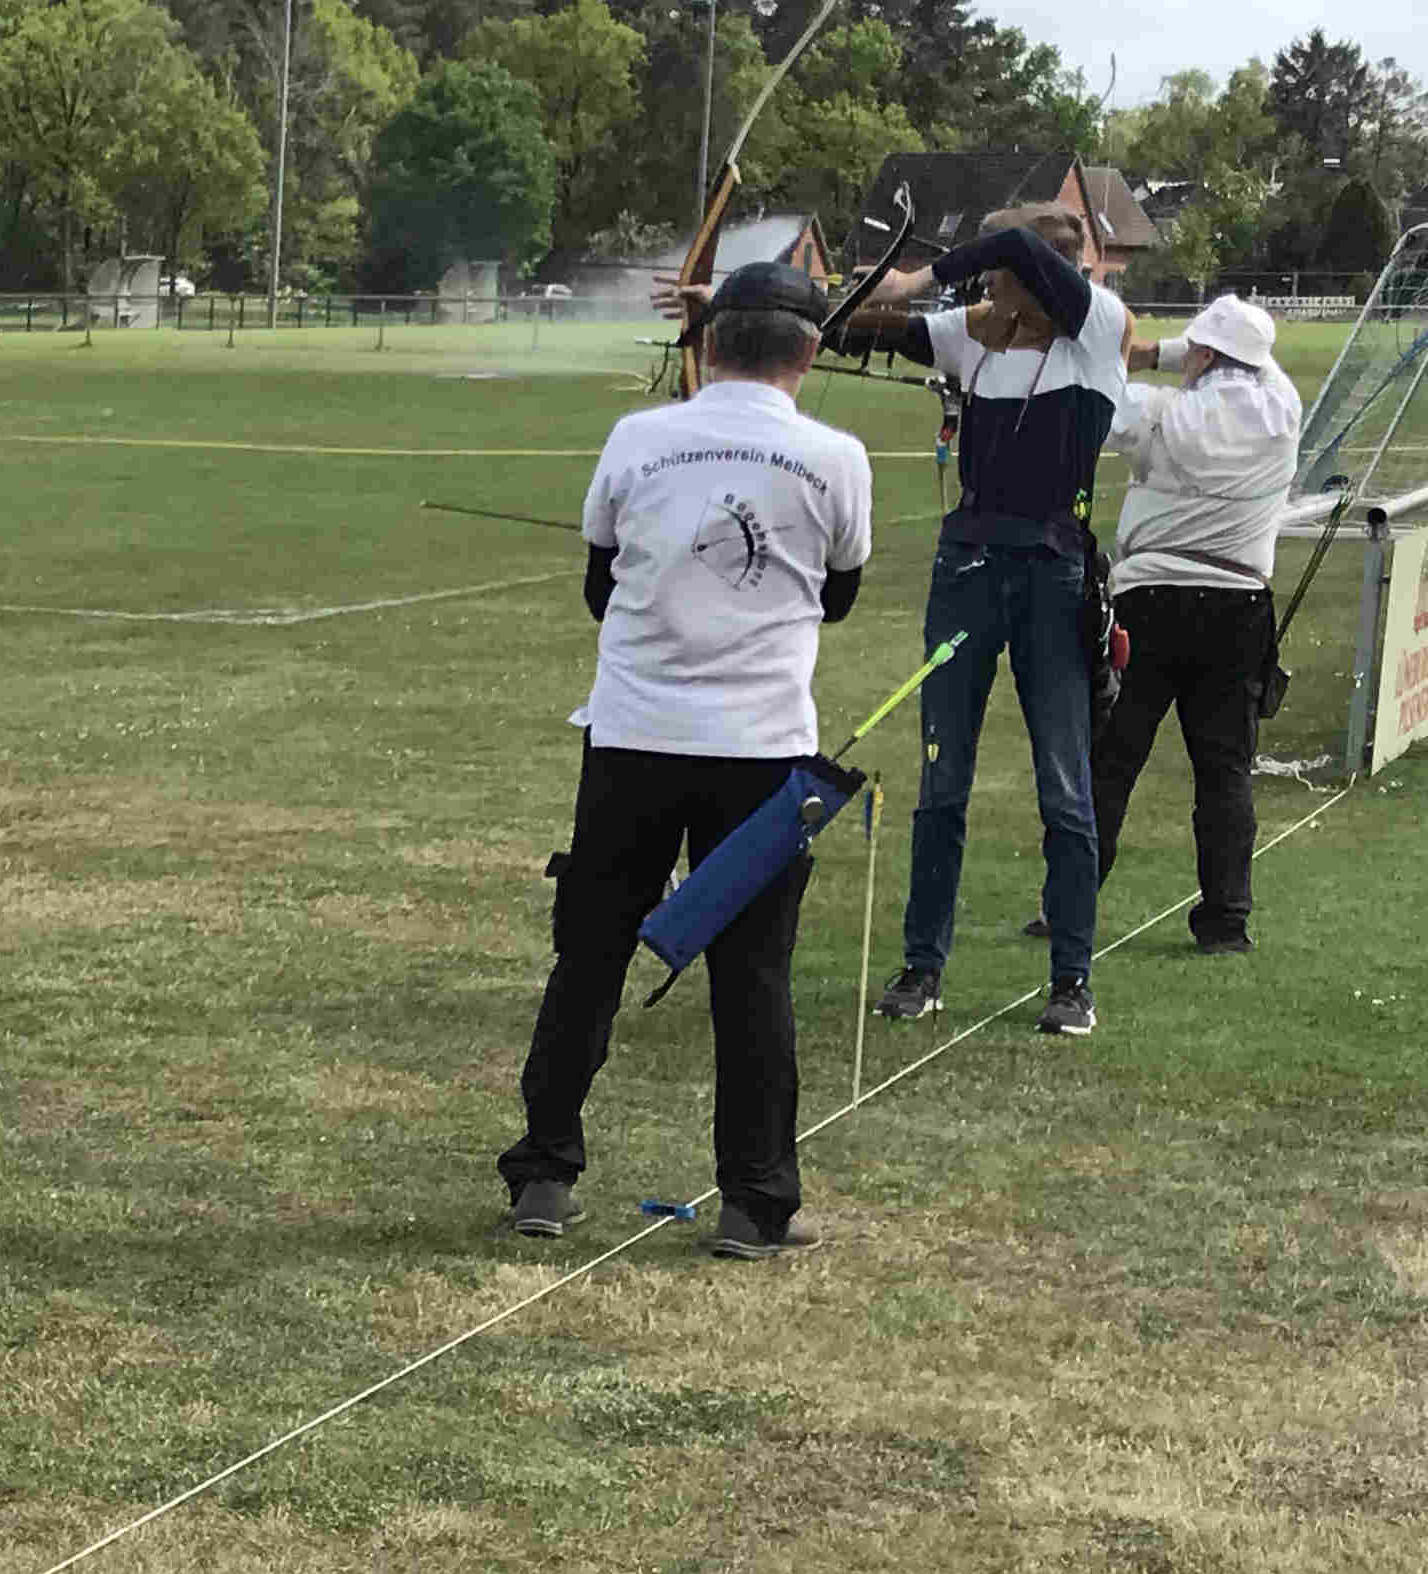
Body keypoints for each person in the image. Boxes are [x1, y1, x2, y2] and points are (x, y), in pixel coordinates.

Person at [498, 263, 877, 1260]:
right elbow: (838, 596)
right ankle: (754, 1203)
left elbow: (598, 581)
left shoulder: (638, 438)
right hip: (760, 751)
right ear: (811, 351)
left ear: (708, 347)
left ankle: (542, 1171)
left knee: (590, 953)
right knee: (753, 976)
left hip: (630, 736)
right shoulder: (836, 457)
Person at [831, 201, 1130, 1036]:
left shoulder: (1098, 329)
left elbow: (1008, 247)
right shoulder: (976, 336)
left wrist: (916, 276)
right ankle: (923, 968)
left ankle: (1072, 980)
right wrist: (750, 304)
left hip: (1053, 577)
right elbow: (863, 331)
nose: (989, 298)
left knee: (1065, 790)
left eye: (1002, 282)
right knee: (942, 782)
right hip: (965, 571)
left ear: (1044, 278)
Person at [1088, 293, 1302, 952]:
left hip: (1149, 601)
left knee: (1113, 759)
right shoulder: (1283, 410)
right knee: (1225, 770)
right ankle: (1226, 921)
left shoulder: (1160, 411)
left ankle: (1068, 898)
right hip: (1239, 608)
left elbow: (1098, 399)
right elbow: (1254, 363)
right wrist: (1192, 348)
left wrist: (1129, 350)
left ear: (1204, 355)